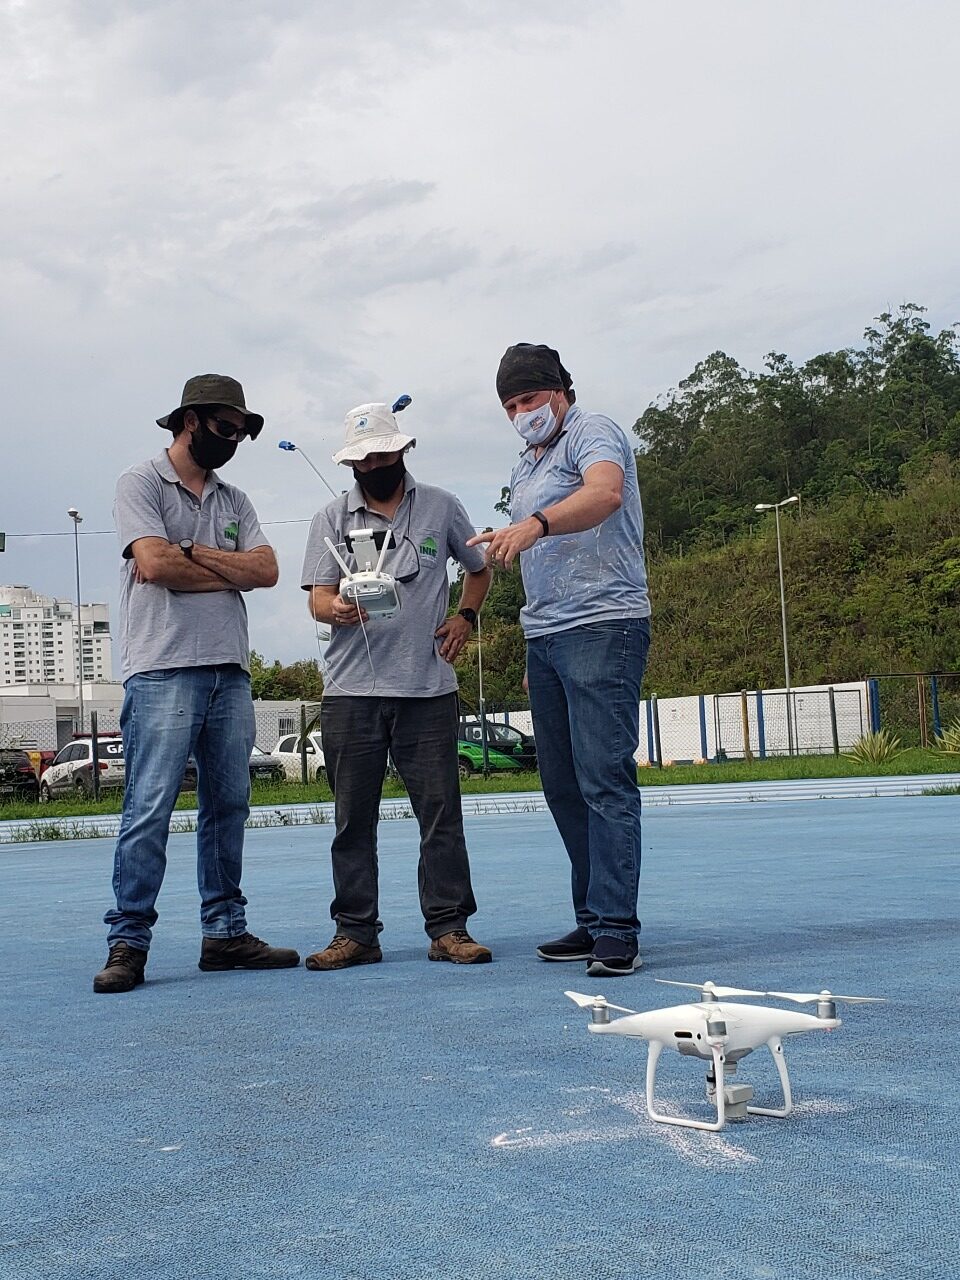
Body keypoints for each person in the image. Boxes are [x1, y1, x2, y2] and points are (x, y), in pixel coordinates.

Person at [93, 374, 300, 994]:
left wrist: (197, 554)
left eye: (241, 432)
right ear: (190, 420)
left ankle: (225, 933)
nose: (234, 439)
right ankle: (128, 941)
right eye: (225, 427)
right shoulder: (140, 482)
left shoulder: (234, 500)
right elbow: (153, 564)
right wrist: (222, 568)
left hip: (229, 672)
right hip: (161, 669)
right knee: (149, 809)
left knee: (228, 807)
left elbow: (267, 571)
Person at [468, 345, 651, 977]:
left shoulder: (591, 432)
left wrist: (536, 524)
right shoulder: (527, 462)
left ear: (560, 391)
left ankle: (617, 929)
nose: (522, 412)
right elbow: (533, 548)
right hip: (546, 634)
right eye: (510, 405)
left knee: (603, 777)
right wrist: (532, 642)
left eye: (530, 398)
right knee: (562, 783)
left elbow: (604, 495)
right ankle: (592, 914)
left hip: (603, 623)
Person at [301, 402, 493, 970]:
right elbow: (316, 595)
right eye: (362, 458)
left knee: (441, 814)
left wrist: (466, 617)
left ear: (402, 450)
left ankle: (449, 928)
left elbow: (479, 567)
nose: (373, 464)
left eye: (382, 454)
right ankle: (355, 932)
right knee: (351, 818)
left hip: (428, 689)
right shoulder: (330, 519)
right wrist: (333, 608)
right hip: (350, 691)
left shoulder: (441, 508)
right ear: (350, 463)